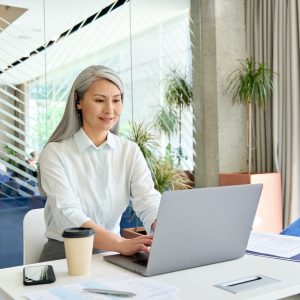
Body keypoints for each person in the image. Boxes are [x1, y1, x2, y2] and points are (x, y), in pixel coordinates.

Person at [38, 65, 161, 262]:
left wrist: (162, 227)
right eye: (99, 100)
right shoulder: (54, 153)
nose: (110, 110)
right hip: (66, 252)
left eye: (116, 100)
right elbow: (68, 215)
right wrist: (120, 243)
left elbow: (148, 200)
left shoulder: (129, 151)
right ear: (78, 102)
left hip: (113, 253)